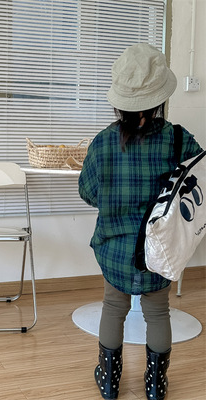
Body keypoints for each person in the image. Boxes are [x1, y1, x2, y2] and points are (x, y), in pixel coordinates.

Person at [78, 43, 203, 400]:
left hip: (114, 249)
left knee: (113, 307)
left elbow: (88, 193)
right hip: (159, 252)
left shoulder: (102, 143)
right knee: (158, 312)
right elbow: (197, 186)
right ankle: (155, 385)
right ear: (160, 98)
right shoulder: (178, 139)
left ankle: (109, 381)